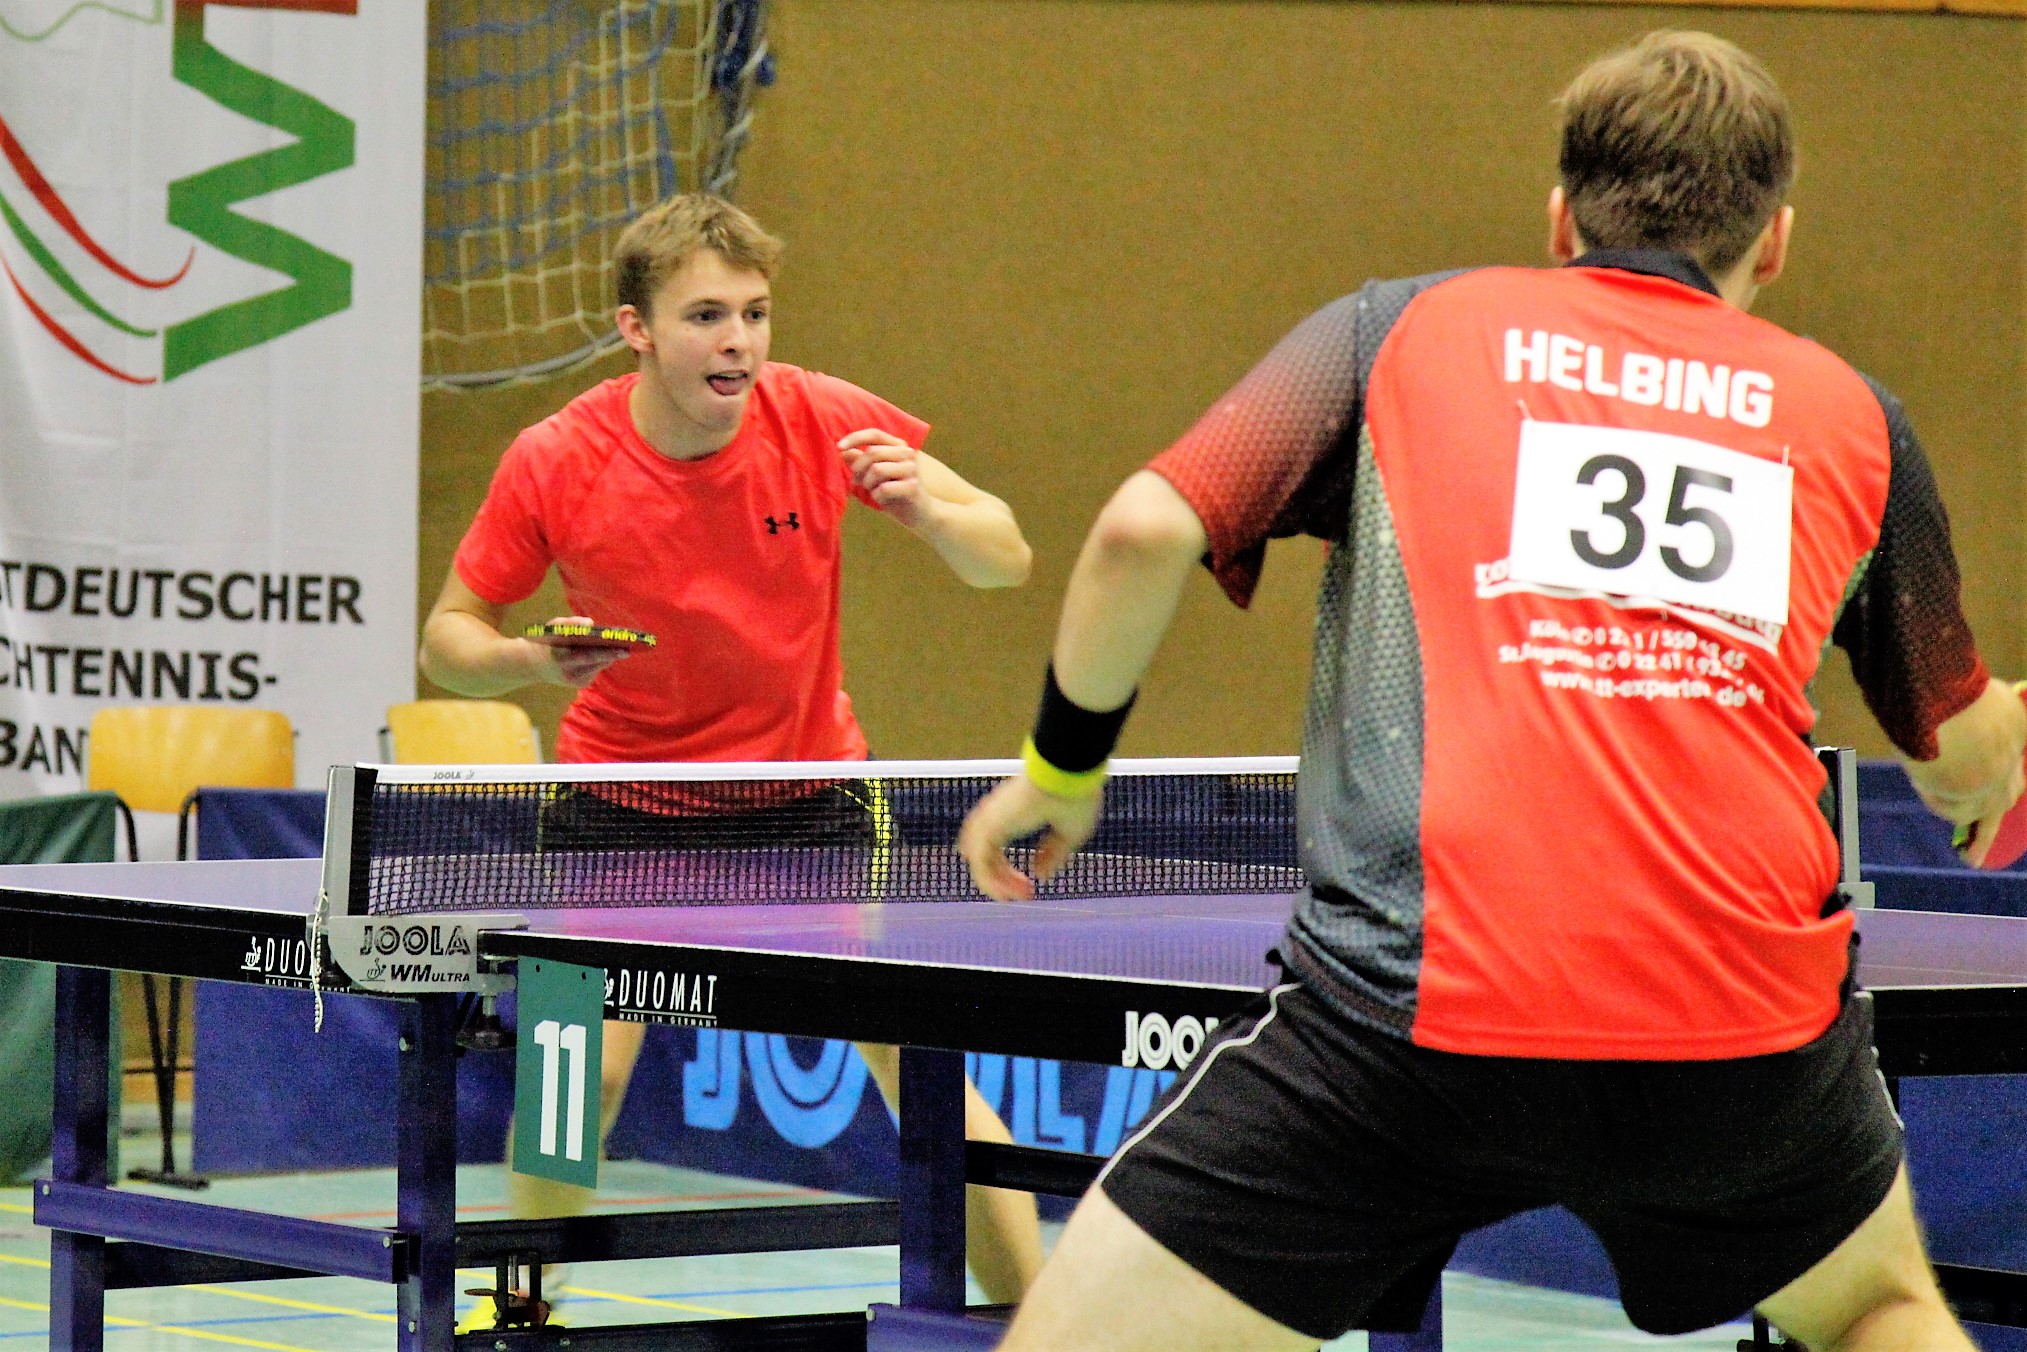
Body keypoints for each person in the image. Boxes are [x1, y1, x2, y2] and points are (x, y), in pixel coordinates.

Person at [959, 31, 2024, 1352]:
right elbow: (1956, 748)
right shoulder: (1853, 417)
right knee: (1872, 1305)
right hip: (1741, 1030)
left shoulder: (1394, 331)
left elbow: (1139, 531)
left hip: (1409, 1019)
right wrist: (1995, 747)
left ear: (1560, 219)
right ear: (1774, 242)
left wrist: (1060, 769)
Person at [420, 193, 1044, 1318]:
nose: (738, 341)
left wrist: (935, 515)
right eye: (705, 315)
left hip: (806, 799)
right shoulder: (556, 458)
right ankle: (518, 1311)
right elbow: (445, 642)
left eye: (753, 313)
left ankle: (1043, 1326)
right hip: (617, 807)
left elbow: (1006, 557)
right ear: (636, 329)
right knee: (571, 1071)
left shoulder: (819, 416)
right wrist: (525, 658)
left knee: (917, 1057)